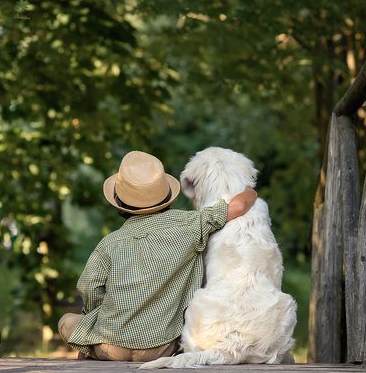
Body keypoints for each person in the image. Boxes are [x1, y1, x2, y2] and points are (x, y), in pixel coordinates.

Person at [58, 150, 257, 361]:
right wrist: (251, 192)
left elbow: (90, 287)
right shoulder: (190, 225)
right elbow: (240, 205)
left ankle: (91, 355)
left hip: (111, 345)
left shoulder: (109, 244)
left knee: (67, 322)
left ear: (120, 203)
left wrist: (96, 316)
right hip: (162, 347)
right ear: (167, 196)